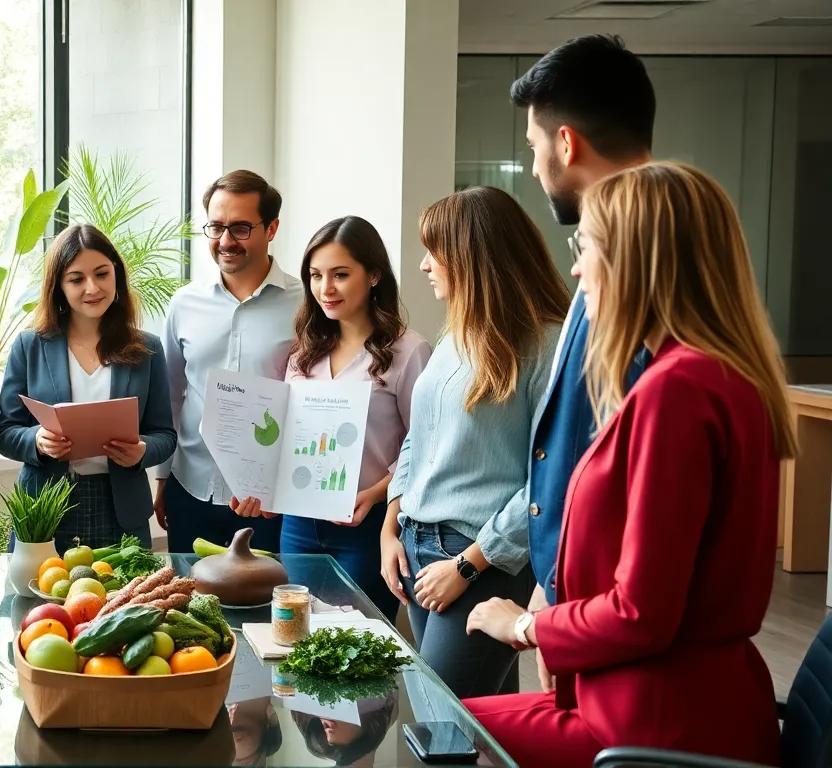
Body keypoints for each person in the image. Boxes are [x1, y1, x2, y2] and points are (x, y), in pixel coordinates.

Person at [464, 162, 791, 768]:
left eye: (583, 246)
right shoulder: (719, 375)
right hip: (655, 700)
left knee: (434, 733)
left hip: (652, 722)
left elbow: (641, 613)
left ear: (634, 259)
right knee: (440, 719)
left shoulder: (679, 388)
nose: (575, 267)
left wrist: (526, 628)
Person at [378, 186, 569, 698]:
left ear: (471, 256)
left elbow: (548, 483)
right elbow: (418, 439)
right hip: (418, 548)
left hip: (480, 559)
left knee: (442, 719)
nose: (423, 265)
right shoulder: (454, 335)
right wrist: (391, 527)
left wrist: (468, 565)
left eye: (434, 251)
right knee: (479, 729)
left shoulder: (547, 346)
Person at [510, 34, 655, 692]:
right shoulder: (604, 254)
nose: (537, 169)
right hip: (573, 601)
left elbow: (625, 449)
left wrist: (555, 613)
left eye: (536, 150)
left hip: (608, 619)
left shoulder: (644, 270)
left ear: (565, 145)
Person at [274, 216, 431, 622]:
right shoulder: (302, 353)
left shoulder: (408, 352)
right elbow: (289, 439)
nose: (325, 288)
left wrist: (376, 494)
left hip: (370, 526)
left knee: (360, 644)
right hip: (299, 523)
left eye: (340, 275)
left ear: (374, 275)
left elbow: (424, 446)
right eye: (315, 275)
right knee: (297, 636)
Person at [0, 224, 176, 552]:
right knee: (39, 602)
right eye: (76, 279)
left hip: (121, 509)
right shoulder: (30, 346)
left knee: (124, 602)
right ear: (58, 287)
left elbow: (165, 435)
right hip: (46, 508)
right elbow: (6, 432)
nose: (92, 288)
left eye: (102, 274)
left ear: (116, 276)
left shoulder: (147, 348)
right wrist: (36, 440)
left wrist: (142, 450)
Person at [156, 170, 303, 554]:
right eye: (216, 227)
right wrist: (161, 478)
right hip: (191, 487)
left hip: (271, 502)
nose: (225, 241)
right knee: (188, 607)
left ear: (271, 228)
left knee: (267, 611)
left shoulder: (307, 305)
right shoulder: (184, 303)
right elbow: (171, 395)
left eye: (240, 228)